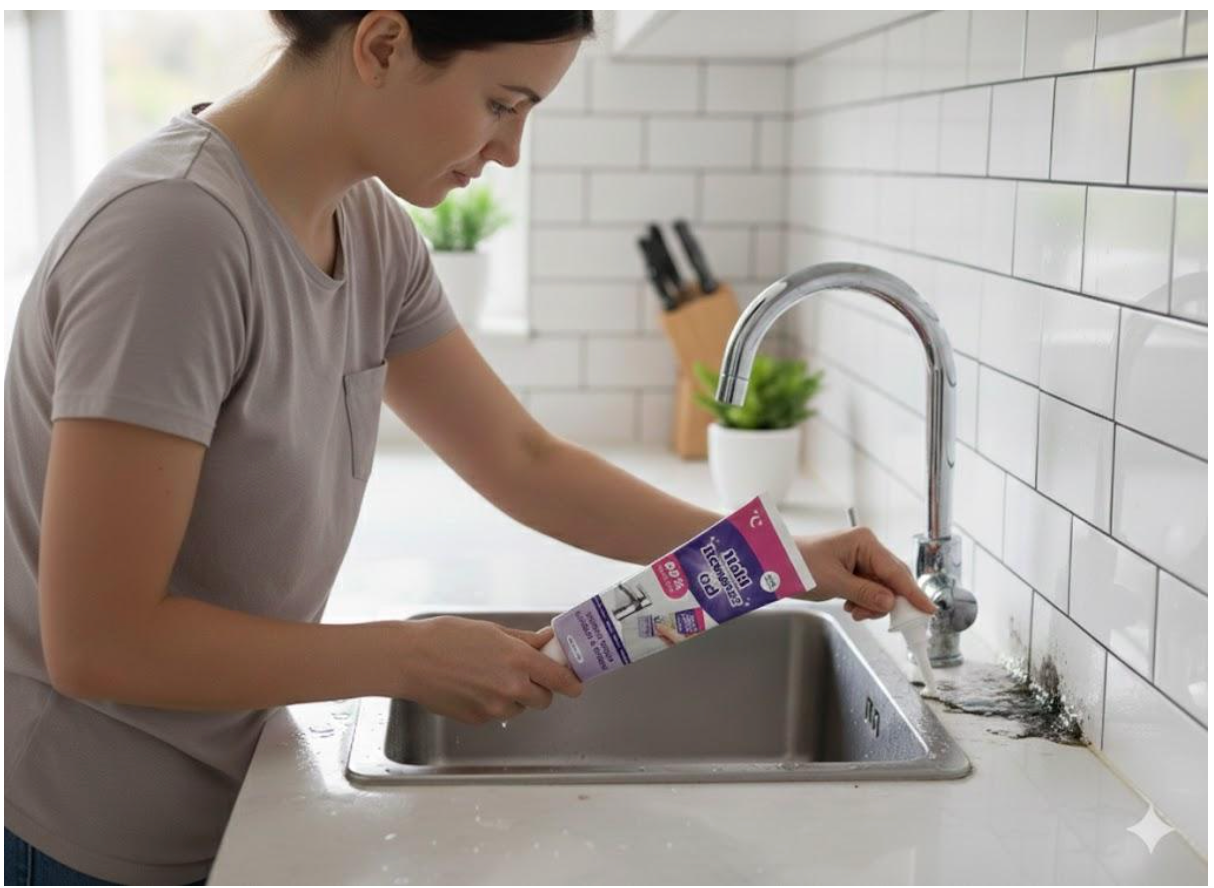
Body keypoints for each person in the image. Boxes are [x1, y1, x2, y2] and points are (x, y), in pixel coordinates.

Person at [3, 11, 935, 885]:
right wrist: (405, 658)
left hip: (221, 792)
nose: (510, 150)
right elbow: (101, 643)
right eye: (501, 104)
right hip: (88, 829)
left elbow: (524, 461)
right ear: (382, 44)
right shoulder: (175, 232)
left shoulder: (367, 230)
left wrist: (775, 558)